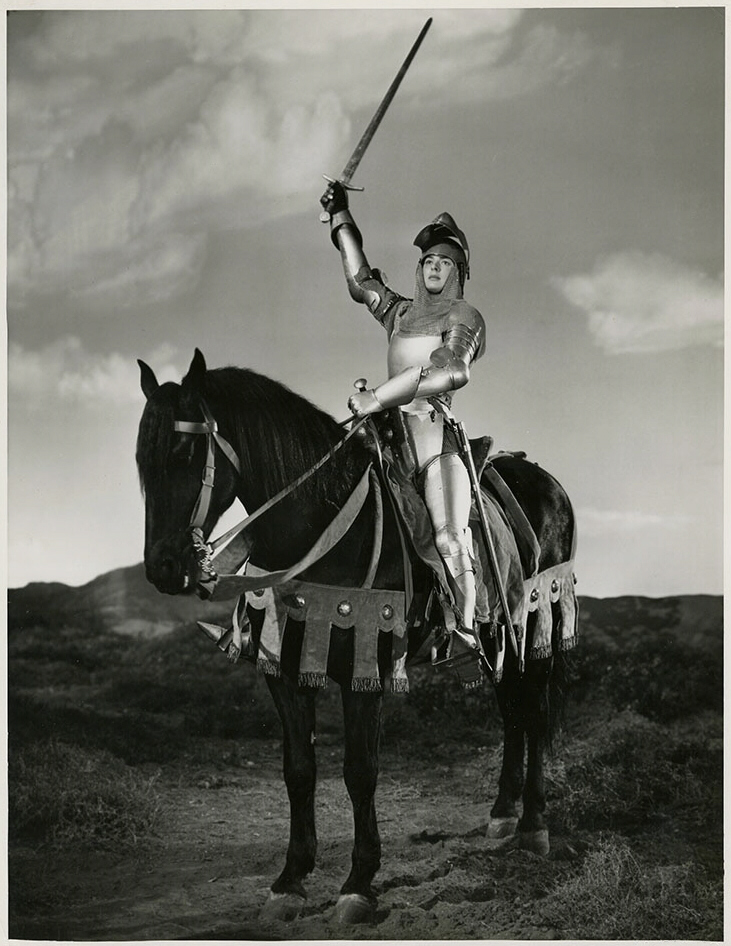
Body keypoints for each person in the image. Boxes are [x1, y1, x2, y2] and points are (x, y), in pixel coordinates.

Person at [320, 181, 487, 682]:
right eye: (428, 261)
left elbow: (449, 370)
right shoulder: (401, 313)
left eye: (444, 262)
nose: (434, 268)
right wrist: (340, 216)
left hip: (435, 438)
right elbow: (361, 281)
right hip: (388, 435)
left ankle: (465, 632)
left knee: (449, 534)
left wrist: (378, 397)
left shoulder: (464, 316)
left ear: (458, 272)